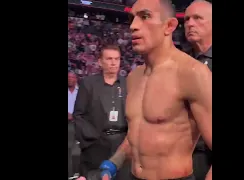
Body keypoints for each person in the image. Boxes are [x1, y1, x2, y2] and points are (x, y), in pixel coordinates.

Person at [89, 0, 212, 180]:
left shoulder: (193, 73)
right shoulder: (134, 77)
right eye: (132, 18)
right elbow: (138, 133)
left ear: (169, 26)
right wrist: (112, 164)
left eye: (144, 16)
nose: (133, 26)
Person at [74, 45, 129, 180]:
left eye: (116, 59)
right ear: (100, 62)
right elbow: (78, 115)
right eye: (109, 59)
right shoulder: (88, 83)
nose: (113, 62)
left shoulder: (127, 84)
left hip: (121, 144)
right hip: (96, 145)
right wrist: (92, 139)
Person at [184, 1, 212, 180]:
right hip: (180, 157)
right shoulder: (180, 61)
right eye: (186, 19)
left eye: (197, 18)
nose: (189, 23)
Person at [68, 71, 79, 178]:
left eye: (72, 77)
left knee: (77, 150)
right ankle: (69, 173)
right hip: (68, 124)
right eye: (68, 77)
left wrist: (74, 115)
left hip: (78, 123)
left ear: (76, 78)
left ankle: (77, 172)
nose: (70, 79)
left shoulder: (80, 91)